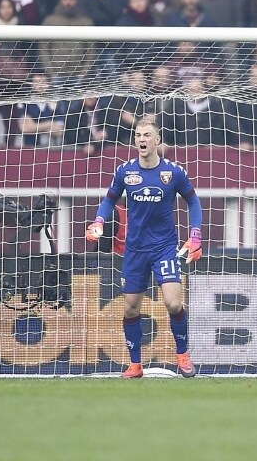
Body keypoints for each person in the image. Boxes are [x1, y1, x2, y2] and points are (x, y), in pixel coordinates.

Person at [85, 118, 203, 379]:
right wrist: (99, 221)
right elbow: (109, 200)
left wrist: (195, 235)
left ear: (157, 140)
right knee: (130, 308)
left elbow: (194, 202)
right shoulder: (125, 171)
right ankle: (135, 365)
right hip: (135, 249)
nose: (142, 139)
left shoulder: (173, 172)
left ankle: (183, 355)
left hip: (164, 247)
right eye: (138, 135)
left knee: (173, 303)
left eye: (147, 135)